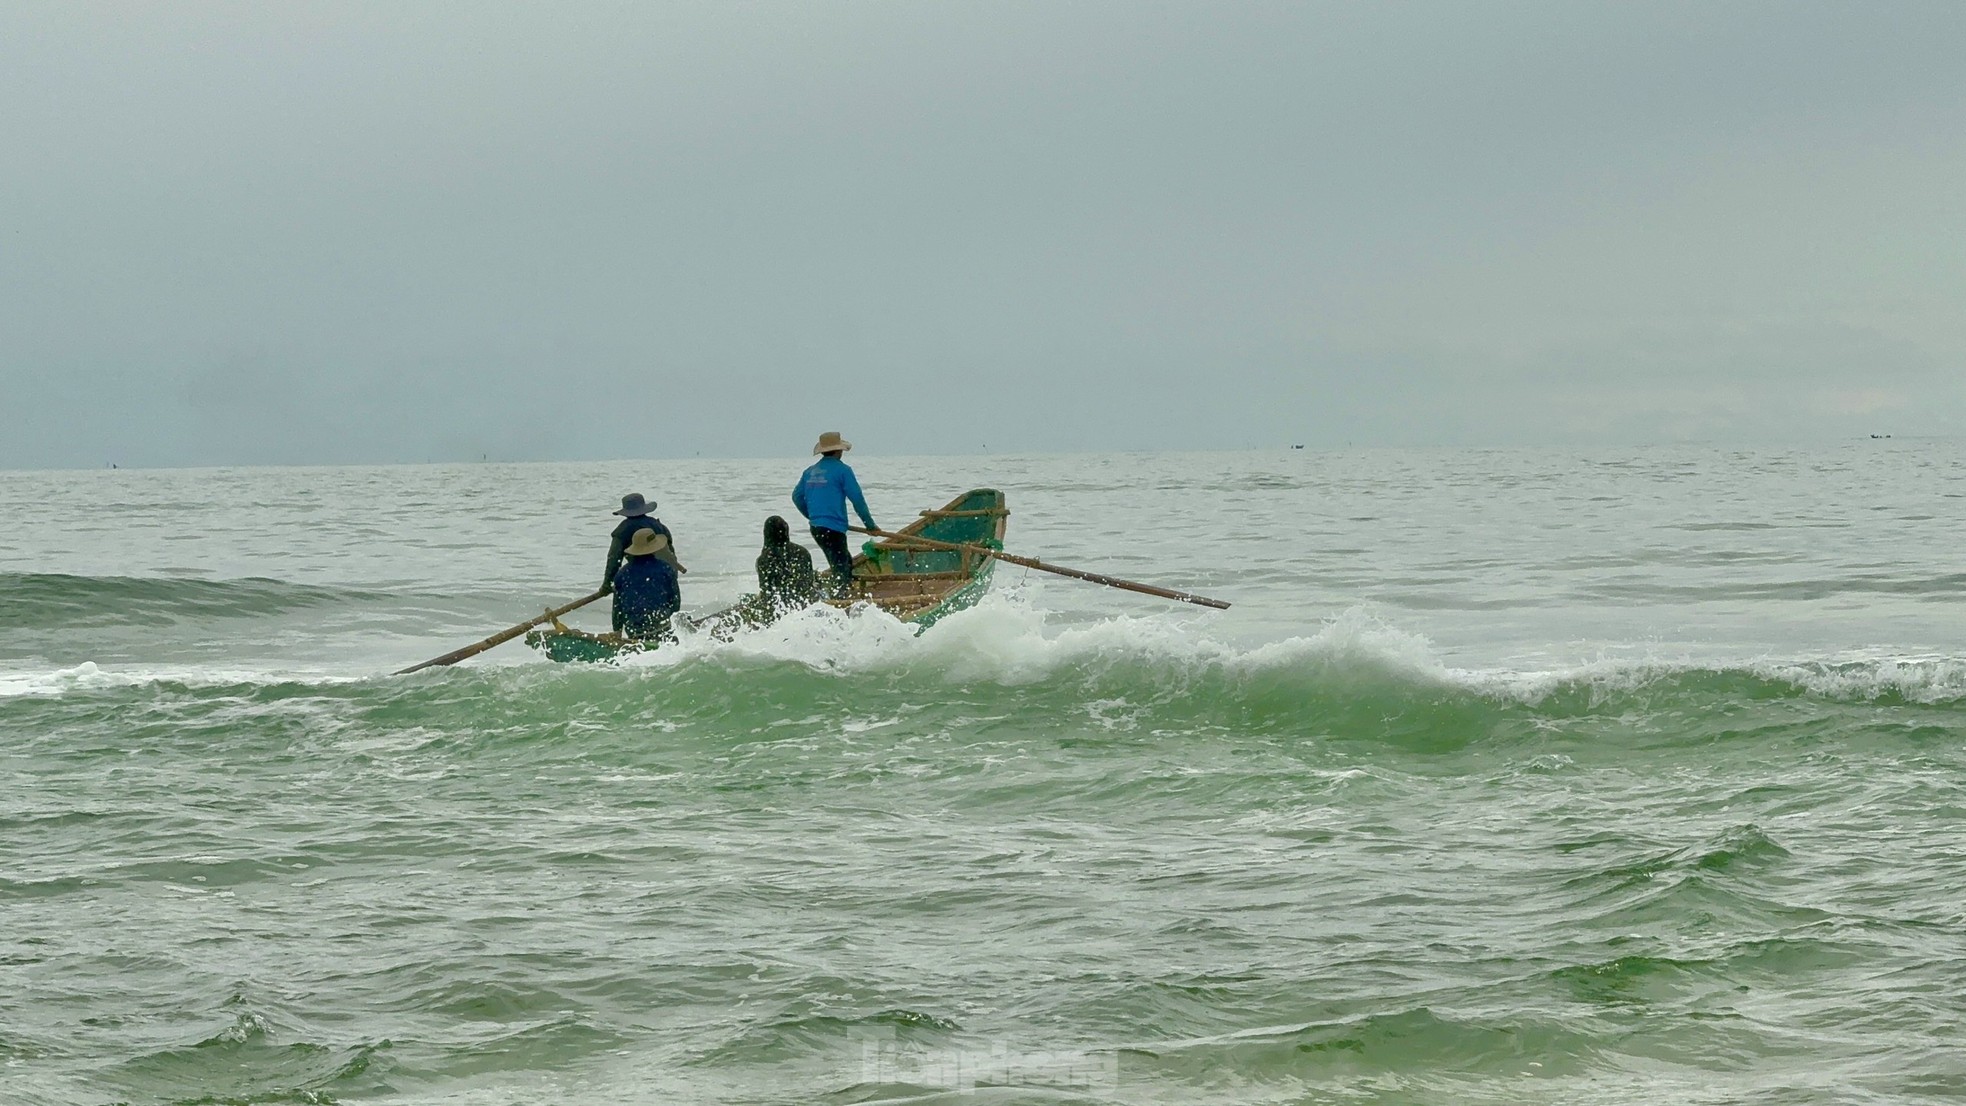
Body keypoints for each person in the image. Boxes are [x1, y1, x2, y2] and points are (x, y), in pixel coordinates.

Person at [791, 431, 876, 597]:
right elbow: (857, 499)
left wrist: (812, 516)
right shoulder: (843, 470)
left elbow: (796, 497)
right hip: (834, 529)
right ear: (839, 451)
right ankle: (841, 602)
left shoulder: (810, 471)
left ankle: (841, 594)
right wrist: (870, 525)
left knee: (842, 561)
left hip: (816, 528)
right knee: (841, 567)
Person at [602, 492, 684, 597]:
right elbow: (670, 551)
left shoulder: (622, 531)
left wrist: (607, 585)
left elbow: (614, 559)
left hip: (638, 576)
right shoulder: (659, 525)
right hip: (667, 573)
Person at [611, 528, 681, 640]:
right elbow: (676, 603)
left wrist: (617, 632)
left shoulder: (621, 574)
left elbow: (617, 609)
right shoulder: (666, 568)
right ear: (655, 548)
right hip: (661, 628)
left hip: (634, 632)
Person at [755, 515, 820, 613]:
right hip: (807, 602)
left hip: (781, 607)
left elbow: (767, 594)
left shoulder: (764, 560)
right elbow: (808, 581)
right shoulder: (802, 551)